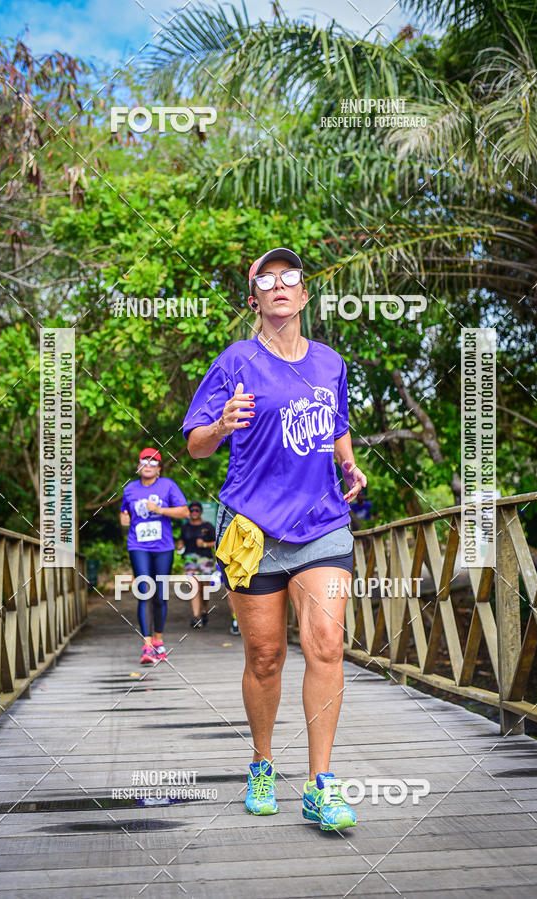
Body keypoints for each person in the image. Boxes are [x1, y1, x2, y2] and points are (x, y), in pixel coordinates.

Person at [182, 247, 367, 831]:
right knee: (265, 658)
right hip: (253, 529)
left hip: (322, 525)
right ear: (255, 299)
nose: (280, 285)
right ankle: (262, 765)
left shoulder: (330, 363)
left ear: (304, 294)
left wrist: (349, 464)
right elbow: (195, 445)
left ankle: (320, 784)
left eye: (290, 277)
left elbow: (336, 424)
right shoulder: (235, 362)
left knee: (326, 645)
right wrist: (220, 425)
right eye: (268, 279)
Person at [119, 447, 189, 664]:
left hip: (163, 547)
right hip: (138, 545)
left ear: (159, 468)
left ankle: (158, 640)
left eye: (153, 462)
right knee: (144, 592)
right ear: (138, 466)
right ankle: (147, 645)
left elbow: (184, 511)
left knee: (159, 595)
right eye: (144, 461)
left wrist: (160, 510)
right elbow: (124, 512)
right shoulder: (130, 488)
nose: (148, 465)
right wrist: (124, 519)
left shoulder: (168, 485)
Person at [176, 502, 216, 628]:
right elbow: (182, 540)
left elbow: (217, 543)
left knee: (205, 588)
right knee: (194, 586)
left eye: (197, 510)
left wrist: (204, 544)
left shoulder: (208, 526)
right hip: (190, 559)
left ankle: (204, 610)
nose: (194, 512)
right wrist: (180, 545)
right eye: (192, 510)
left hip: (206, 559)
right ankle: (196, 616)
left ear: (201, 512)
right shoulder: (185, 527)